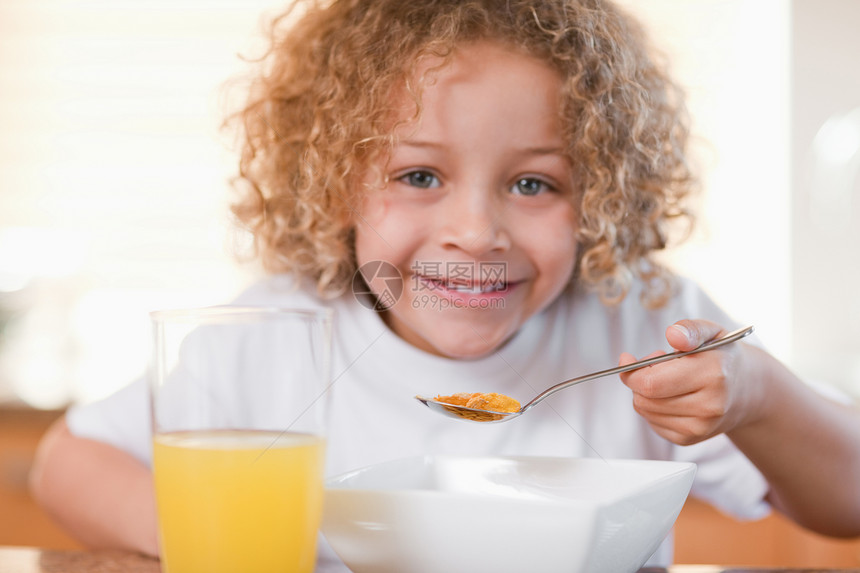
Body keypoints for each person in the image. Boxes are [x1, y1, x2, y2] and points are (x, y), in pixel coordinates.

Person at [30, 0, 860, 569]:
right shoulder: (270, 335)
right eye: (419, 175)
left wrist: (755, 393)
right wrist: (219, 541)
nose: (476, 231)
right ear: (333, 185)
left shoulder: (638, 317)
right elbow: (67, 462)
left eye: (534, 184)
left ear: (603, 191)